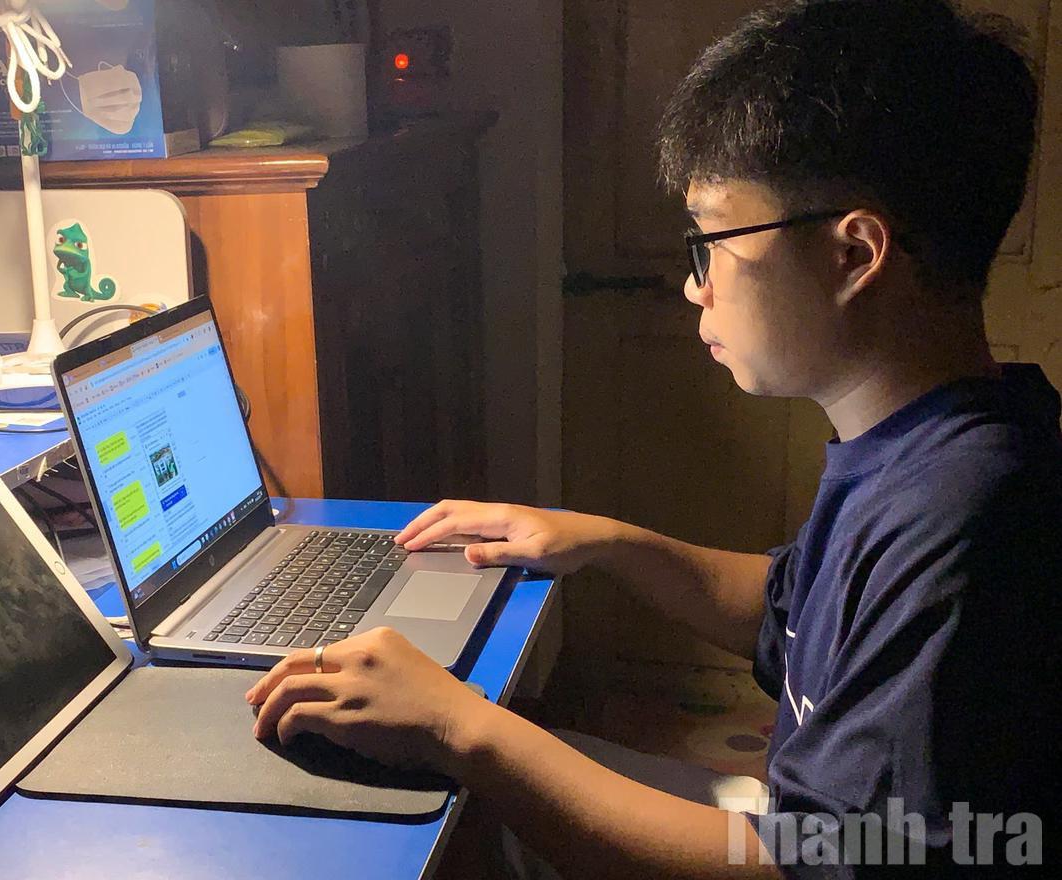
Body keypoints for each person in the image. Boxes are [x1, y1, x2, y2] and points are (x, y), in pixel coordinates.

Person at [246, 0, 1062, 875]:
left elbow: (813, 865)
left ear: (853, 255)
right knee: (500, 775)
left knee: (476, 792)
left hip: (798, 851)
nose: (692, 286)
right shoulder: (930, 443)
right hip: (799, 827)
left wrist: (458, 727)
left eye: (712, 241)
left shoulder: (961, 519)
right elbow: (790, 610)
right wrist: (604, 542)